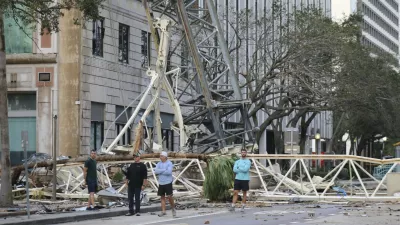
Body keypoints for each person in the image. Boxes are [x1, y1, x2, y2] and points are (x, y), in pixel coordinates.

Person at [124, 152, 148, 216]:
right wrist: (126, 183)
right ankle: (130, 211)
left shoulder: (142, 166)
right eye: (134, 157)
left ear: (139, 157)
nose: (135, 158)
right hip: (131, 184)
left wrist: (143, 185)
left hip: (138, 185)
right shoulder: (131, 165)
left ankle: (137, 211)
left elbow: (145, 177)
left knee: (137, 198)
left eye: (136, 157)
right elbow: (128, 175)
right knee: (130, 198)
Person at [154, 151, 176, 217]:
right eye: (160, 156)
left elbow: (169, 172)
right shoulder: (158, 163)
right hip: (161, 182)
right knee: (162, 197)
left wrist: (160, 171)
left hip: (168, 182)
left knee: (169, 196)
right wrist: (164, 170)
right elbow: (156, 171)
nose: (160, 157)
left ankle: (173, 208)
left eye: (161, 156)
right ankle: (163, 211)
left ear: (165, 157)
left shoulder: (169, 163)